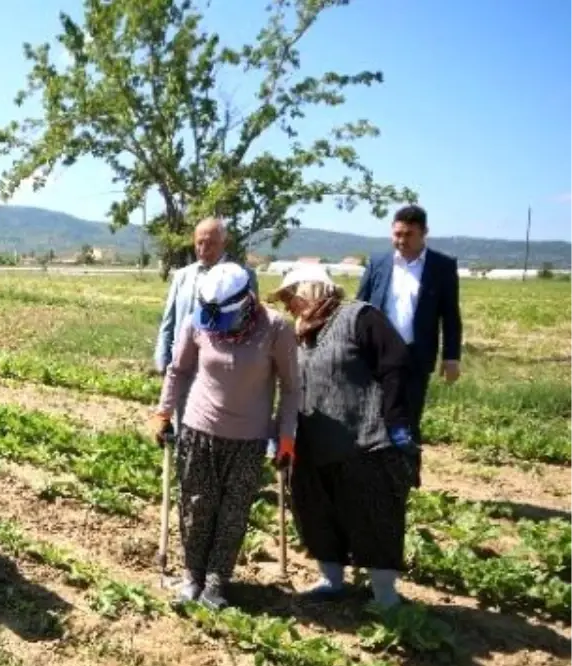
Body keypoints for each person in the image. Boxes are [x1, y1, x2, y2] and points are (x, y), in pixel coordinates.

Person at [147, 262, 300, 610]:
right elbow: (178, 370)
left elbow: (291, 390)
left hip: (248, 440)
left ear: (247, 302)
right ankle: (191, 577)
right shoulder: (197, 322)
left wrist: (286, 437)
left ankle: (216, 583)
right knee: (196, 506)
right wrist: (163, 411)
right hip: (199, 430)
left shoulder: (276, 329)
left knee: (232, 512)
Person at [269, 265, 418, 609]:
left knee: (374, 518)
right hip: (313, 443)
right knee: (317, 513)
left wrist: (396, 418)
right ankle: (331, 580)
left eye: (291, 296)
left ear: (311, 289)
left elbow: (395, 364)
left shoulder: (359, 317)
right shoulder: (299, 333)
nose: (288, 305)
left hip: (363, 441)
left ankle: (385, 597)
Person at [356, 205, 462, 451]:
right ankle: (373, 477)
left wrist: (451, 357)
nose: (401, 240)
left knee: (408, 420)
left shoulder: (442, 267)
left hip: (415, 355)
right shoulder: (378, 263)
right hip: (375, 355)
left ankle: (404, 477)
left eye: (408, 234)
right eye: (397, 234)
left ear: (424, 232)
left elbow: (450, 315)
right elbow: (359, 307)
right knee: (371, 415)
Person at [153, 218, 259, 379]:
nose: (203, 249)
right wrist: (162, 360)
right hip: (181, 364)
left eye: (211, 243)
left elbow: (251, 323)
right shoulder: (182, 276)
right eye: (199, 243)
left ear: (224, 243)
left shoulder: (243, 276)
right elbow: (169, 321)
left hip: (221, 368)